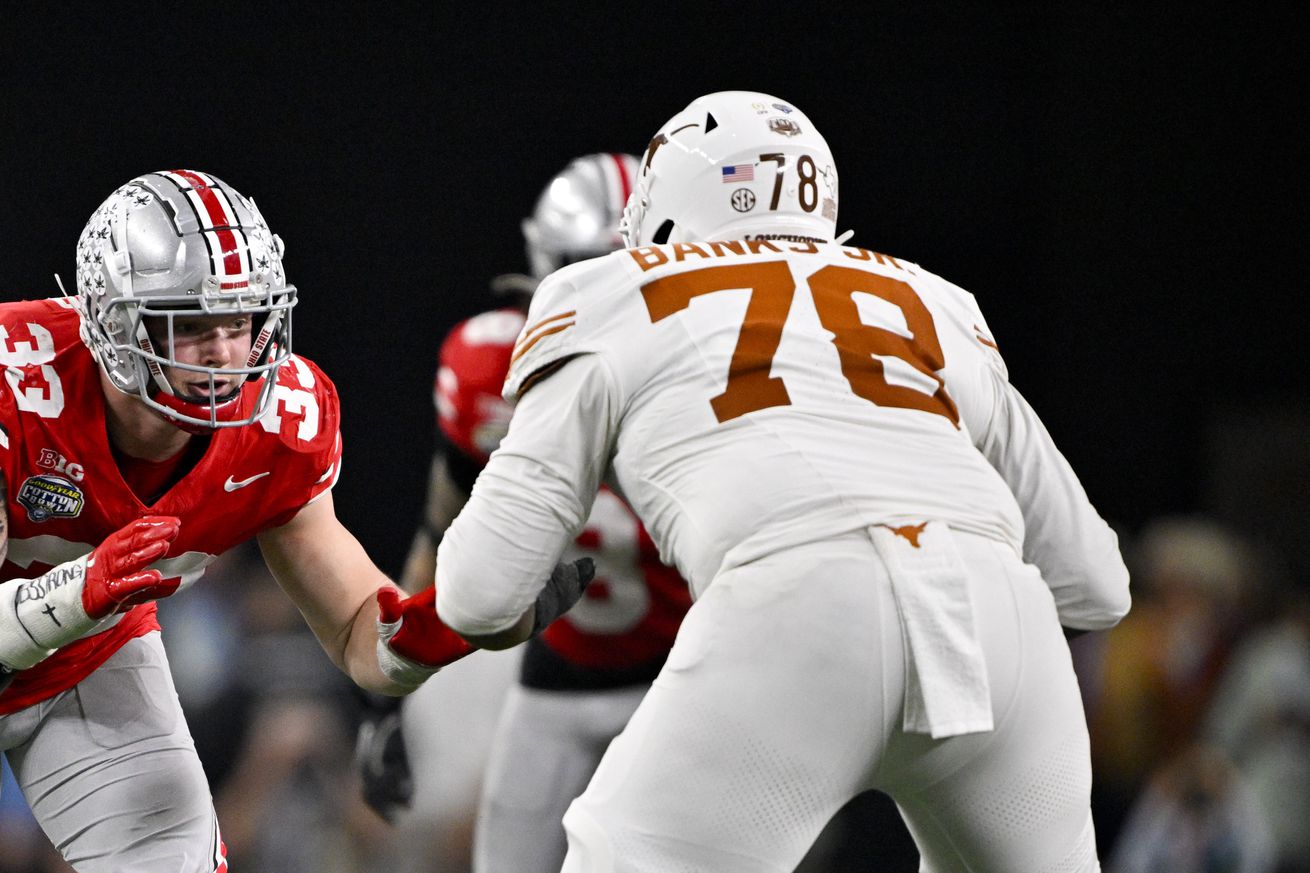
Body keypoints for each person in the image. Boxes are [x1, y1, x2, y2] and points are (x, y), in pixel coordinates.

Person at [432, 92, 1132, 872]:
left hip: (797, 601)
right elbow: (1097, 584)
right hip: (1002, 625)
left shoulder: (602, 295)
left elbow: (477, 594)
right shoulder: (935, 300)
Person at [0, 170, 587, 872]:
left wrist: (445, 627)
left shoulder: (280, 423)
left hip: (83, 655)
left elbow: (357, 631)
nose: (224, 352)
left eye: (240, 319)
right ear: (112, 322)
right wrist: (77, 592)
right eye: (190, 323)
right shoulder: (16, 381)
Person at [355, 154, 693, 873]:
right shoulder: (490, 368)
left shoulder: (712, 370)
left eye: (633, 276)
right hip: (558, 681)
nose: (613, 302)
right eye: (594, 273)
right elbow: (438, 534)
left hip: (689, 681)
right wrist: (388, 702)